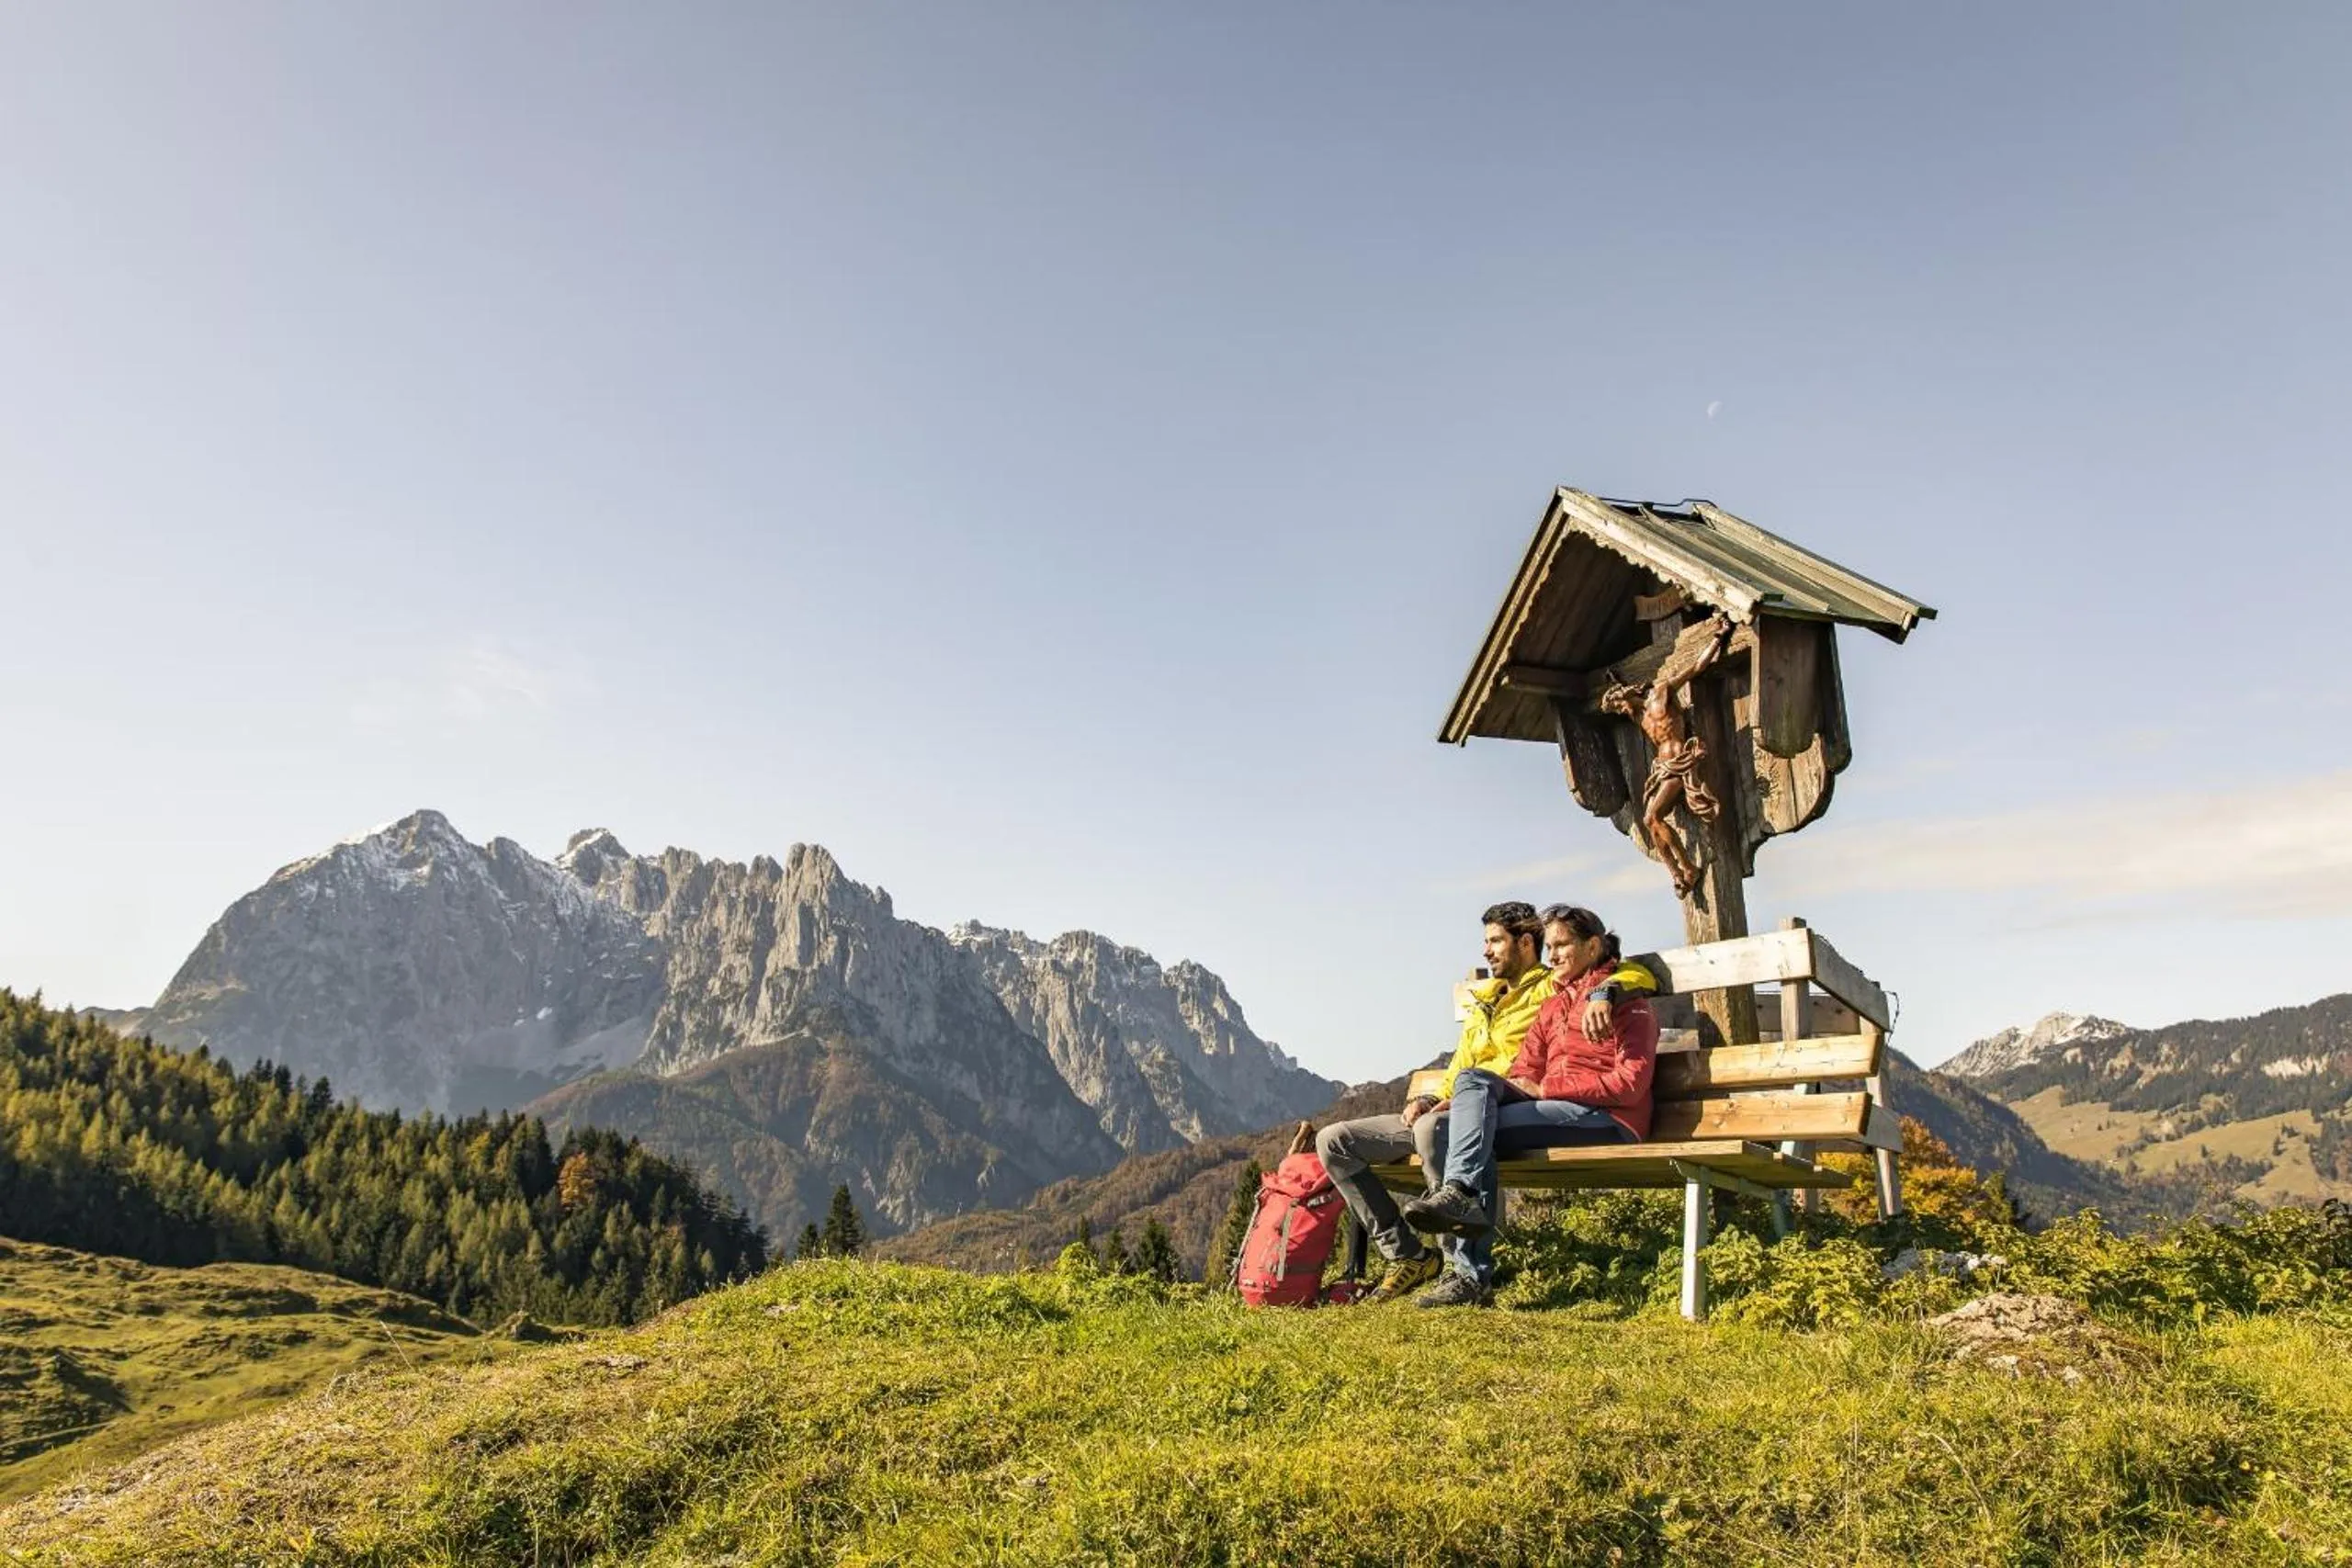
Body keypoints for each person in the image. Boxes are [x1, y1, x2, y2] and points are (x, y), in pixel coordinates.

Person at [1314, 901, 1656, 1304]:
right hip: (1484, 1102)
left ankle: (1466, 1270)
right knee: (1339, 1138)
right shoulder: (1517, 1002)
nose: (1486, 951)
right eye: (1551, 947)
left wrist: (1604, 991)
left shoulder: (1590, 992)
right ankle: (1417, 1248)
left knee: (1445, 1129)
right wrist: (1435, 1097)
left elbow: (1633, 989)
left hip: (1599, 1113)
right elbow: (1515, 1069)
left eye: (1495, 941)